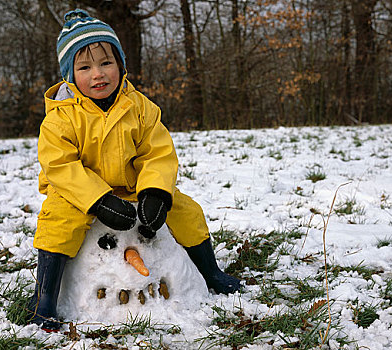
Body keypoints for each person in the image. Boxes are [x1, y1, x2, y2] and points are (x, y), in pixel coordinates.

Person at [28, 9, 240, 332]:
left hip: (129, 187)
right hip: (77, 194)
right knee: (56, 222)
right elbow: (60, 166)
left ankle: (210, 272)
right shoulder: (61, 116)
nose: (98, 74)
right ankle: (45, 299)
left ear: (121, 65)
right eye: (85, 67)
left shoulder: (139, 106)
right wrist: (97, 200)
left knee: (186, 210)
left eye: (106, 63)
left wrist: (155, 192)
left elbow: (157, 151)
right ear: (70, 75)